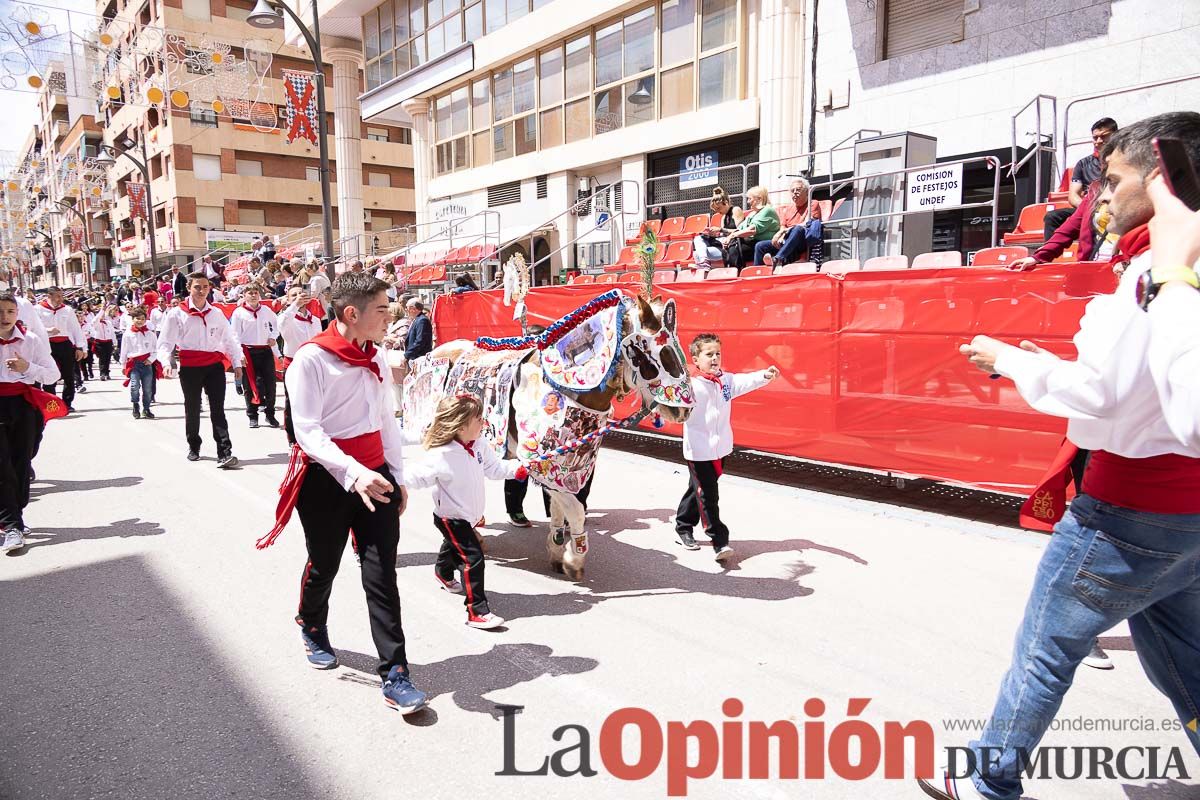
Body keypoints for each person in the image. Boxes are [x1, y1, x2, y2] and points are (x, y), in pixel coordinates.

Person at [919, 111, 1200, 800]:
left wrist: (1007, 357)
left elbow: (1105, 395)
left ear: (1161, 181)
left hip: (1126, 509)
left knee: (1045, 651)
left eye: (1113, 179)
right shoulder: (1163, 268)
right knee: (1185, 661)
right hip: (1185, 515)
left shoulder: (1157, 272)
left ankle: (989, 778)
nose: (1098, 196)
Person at [260, 271, 426, 714]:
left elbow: (385, 421)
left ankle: (395, 673)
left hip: (375, 474)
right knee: (325, 562)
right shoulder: (309, 361)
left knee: (381, 574)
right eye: (383, 309)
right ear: (352, 314)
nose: (391, 315)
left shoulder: (376, 356)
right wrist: (354, 473)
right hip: (325, 479)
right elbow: (307, 432)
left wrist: (397, 475)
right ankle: (312, 624)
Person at [405, 394, 526, 629]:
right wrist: (389, 484)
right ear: (461, 426)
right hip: (451, 518)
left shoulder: (480, 445)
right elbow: (414, 477)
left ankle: (443, 572)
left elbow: (494, 468)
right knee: (472, 558)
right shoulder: (441, 455)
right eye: (478, 419)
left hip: (469, 516)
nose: (484, 422)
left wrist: (517, 469)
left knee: (454, 546)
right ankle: (477, 611)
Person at [675, 332, 779, 560]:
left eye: (718, 354)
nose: (714, 358)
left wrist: (765, 375)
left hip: (721, 448)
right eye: (708, 354)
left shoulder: (726, 382)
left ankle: (683, 525)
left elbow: (746, 381)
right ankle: (719, 541)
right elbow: (670, 402)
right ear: (696, 359)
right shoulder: (689, 384)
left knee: (699, 490)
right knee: (708, 495)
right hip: (699, 450)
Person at [156, 271, 242, 467]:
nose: (202, 290)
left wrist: (237, 362)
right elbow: (165, 342)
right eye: (197, 287)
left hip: (214, 366)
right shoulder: (177, 313)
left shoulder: (217, 313)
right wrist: (166, 363)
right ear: (188, 288)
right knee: (192, 408)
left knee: (218, 409)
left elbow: (229, 339)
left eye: (205, 286)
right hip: (191, 367)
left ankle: (224, 451)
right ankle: (194, 445)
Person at [0, 289, 62, 552]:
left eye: (10, 311)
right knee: (1, 465)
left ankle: (16, 514)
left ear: (18, 313)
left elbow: (52, 375)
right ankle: (11, 524)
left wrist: (28, 369)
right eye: (0, 312)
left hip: (24, 405)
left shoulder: (32, 340)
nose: (5, 317)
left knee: (21, 462)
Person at [1042, 117, 1118, 239]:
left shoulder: (1124, 160)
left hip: (1114, 208)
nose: (1098, 141)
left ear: (1115, 136)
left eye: (1104, 136)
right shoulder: (1083, 164)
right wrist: (1089, 208)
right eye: (1095, 137)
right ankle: (1048, 257)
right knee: (1052, 217)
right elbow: (1073, 196)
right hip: (1089, 209)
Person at [229, 282, 280, 429]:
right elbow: (235, 335)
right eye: (249, 293)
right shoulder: (239, 313)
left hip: (264, 351)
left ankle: (270, 414)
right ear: (244, 296)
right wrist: (239, 354)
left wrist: (273, 336)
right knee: (249, 385)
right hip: (248, 352)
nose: (253, 295)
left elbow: (276, 325)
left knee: (270, 384)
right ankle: (252, 415)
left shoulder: (266, 310)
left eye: (255, 292)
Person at [34, 286, 86, 412]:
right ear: (49, 296)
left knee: (68, 374)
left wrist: (80, 347)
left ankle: (67, 403)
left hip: (65, 344)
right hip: (47, 345)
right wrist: (48, 330)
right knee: (49, 374)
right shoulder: (38, 309)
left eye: (61, 296)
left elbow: (75, 329)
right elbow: (34, 328)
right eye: (57, 296)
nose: (60, 299)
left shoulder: (67, 310)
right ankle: (51, 403)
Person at [758, 178, 825, 267]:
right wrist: (779, 235)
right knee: (760, 245)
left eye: (798, 190)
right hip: (787, 238)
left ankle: (778, 259)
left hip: (803, 239)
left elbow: (808, 223)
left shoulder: (813, 203)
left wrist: (783, 231)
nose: (795, 193)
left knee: (797, 229)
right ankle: (757, 272)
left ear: (806, 192)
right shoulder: (789, 208)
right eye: (792, 191)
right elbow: (783, 225)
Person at [722, 186, 779, 272]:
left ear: (759, 199)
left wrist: (732, 235)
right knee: (728, 248)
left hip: (767, 245)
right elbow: (740, 228)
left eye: (749, 199)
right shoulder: (752, 214)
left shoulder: (767, 210)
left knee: (735, 249)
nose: (748, 202)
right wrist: (728, 238)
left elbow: (752, 230)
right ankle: (732, 273)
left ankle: (741, 273)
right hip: (752, 243)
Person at [119, 306, 158, 420]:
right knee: (134, 386)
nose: (139, 321)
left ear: (145, 320)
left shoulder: (150, 334)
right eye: (137, 318)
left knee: (147, 388)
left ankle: (146, 409)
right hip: (134, 363)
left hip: (146, 364)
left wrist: (151, 359)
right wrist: (123, 365)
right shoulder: (128, 334)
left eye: (142, 318)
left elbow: (155, 350)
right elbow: (124, 351)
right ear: (133, 319)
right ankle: (135, 405)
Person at [692, 187, 745, 270]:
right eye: (715, 209)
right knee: (697, 244)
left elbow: (740, 231)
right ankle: (704, 264)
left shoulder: (736, 210)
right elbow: (724, 234)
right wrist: (714, 234)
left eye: (718, 208)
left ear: (726, 202)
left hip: (733, 246)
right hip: (723, 244)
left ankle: (704, 266)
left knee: (698, 254)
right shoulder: (723, 217)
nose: (717, 211)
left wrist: (720, 229)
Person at [382, 299, 411, 413]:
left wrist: (388, 338)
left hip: (398, 355)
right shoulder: (392, 324)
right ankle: (397, 407)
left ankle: (401, 408)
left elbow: (402, 339)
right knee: (393, 382)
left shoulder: (404, 324)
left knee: (400, 382)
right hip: (390, 355)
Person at [90, 305, 118, 381]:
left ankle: (107, 372)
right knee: (102, 358)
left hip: (108, 342)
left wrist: (115, 343)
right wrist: (101, 311)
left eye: (103, 315)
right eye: (101, 315)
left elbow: (112, 333)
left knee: (108, 358)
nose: (102, 316)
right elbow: (95, 320)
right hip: (100, 342)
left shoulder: (108, 322)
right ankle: (102, 373)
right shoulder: (96, 323)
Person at [403, 298, 432, 362]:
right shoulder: (417, 320)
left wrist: (407, 355)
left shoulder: (422, 320)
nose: (406, 310)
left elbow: (420, 341)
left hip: (419, 358)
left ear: (413, 309)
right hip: (415, 358)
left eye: (407, 308)